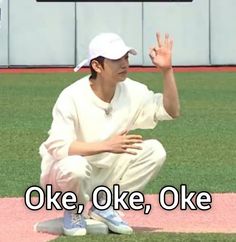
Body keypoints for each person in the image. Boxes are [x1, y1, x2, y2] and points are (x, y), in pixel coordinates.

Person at [39, 32, 180, 236]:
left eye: (126, 57)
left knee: (155, 150)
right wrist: (107, 145)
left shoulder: (133, 91)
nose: (124, 64)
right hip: (63, 176)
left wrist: (167, 71)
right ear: (97, 66)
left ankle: (104, 205)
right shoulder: (72, 96)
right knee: (75, 165)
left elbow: (170, 110)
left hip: (105, 169)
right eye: (116, 59)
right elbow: (59, 147)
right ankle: (74, 209)